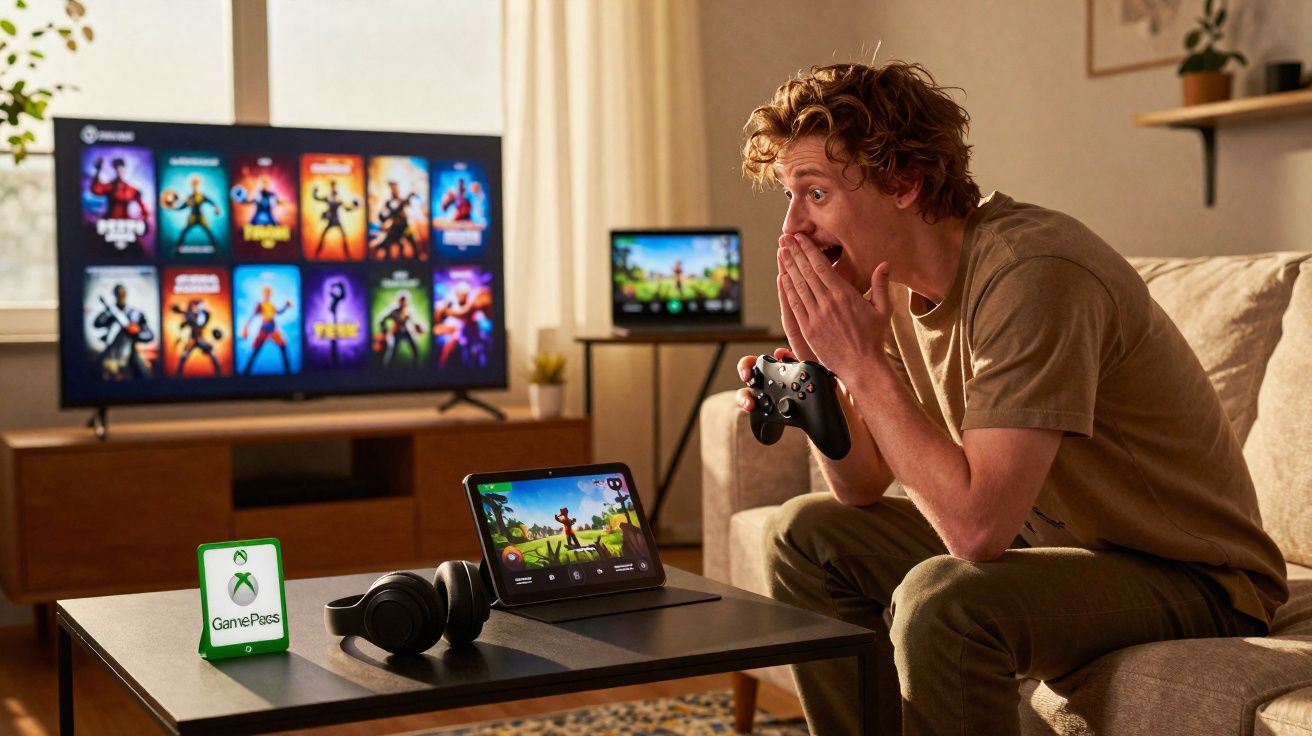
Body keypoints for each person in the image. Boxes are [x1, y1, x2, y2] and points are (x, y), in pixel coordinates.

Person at [735, 61, 1287, 736]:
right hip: (1053, 546)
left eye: (815, 193)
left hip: (1196, 576)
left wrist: (863, 365)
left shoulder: (1032, 272)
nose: (792, 228)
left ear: (905, 182)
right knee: (804, 535)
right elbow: (861, 486)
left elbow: (976, 530)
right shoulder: (891, 284)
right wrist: (823, 379)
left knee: (944, 601)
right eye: (789, 196)